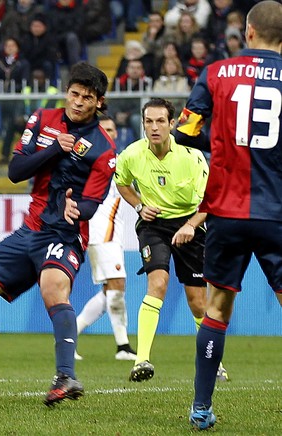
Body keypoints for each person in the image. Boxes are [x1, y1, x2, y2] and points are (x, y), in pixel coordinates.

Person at [0, 62, 116, 406]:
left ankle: (65, 377)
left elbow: (92, 204)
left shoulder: (104, 149)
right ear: (67, 92)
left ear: (99, 102)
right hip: (30, 231)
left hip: (65, 236)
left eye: (88, 97)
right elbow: (15, 171)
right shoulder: (42, 119)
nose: (79, 102)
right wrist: (55, 148)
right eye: (75, 94)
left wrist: (75, 210)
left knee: (53, 288)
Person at [172, 1, 282, 430]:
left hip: (227, 211)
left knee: (217, 308)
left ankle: (201, 407)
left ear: (248, 32)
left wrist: (224, 145)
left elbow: (185, 131)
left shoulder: (216, 73)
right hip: (276, 212)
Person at [113, 98, 227, 384]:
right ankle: (142, 361)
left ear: (172, 124)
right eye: (148, 121)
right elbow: (121, 182)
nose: (154, 127)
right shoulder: (132, 154)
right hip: (154, 225)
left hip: (191, 224)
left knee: (198, 303)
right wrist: (139, 206)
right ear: (143, 124)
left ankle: (215, 361)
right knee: (158, 283)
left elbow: (210, 201)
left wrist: (190, 226)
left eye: (160, 121)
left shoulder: (192, 157)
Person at [74, 115, 137, 362]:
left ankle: (70, 335)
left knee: (111, 288)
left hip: (112, 232)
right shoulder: (90, 159)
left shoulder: (118, 160)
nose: (111, 133)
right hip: (101, 231)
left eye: (113, 129)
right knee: (117, 285)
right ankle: (122, 346)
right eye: (105, 129)